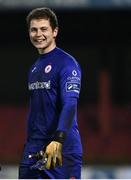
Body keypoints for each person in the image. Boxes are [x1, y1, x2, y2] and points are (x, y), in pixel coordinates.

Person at [19, 7, 82, 179]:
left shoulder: (67, 64)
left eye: (44, 29)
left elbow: (70, 104)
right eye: (34, 29)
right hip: (33, 149)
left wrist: (58, 138)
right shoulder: (33, 69)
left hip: (62, 150)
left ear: (55, 31)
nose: (38, 34)